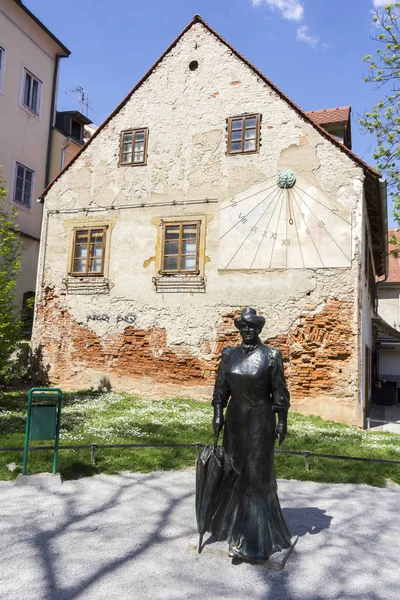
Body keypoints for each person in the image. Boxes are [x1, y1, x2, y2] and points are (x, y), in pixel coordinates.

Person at [210, 307, 292, 562]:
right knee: (234, 471)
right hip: (235, 421)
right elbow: (221, 389)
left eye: (252, 327)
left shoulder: (270, 355)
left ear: (259, 329)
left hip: (260, 420)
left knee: (256, 476)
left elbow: (280, 393)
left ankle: (254, 540)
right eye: (243, 327)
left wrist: (282, 422)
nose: (247, 331)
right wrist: (217, 413)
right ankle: (230, 527)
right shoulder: (228, 354)